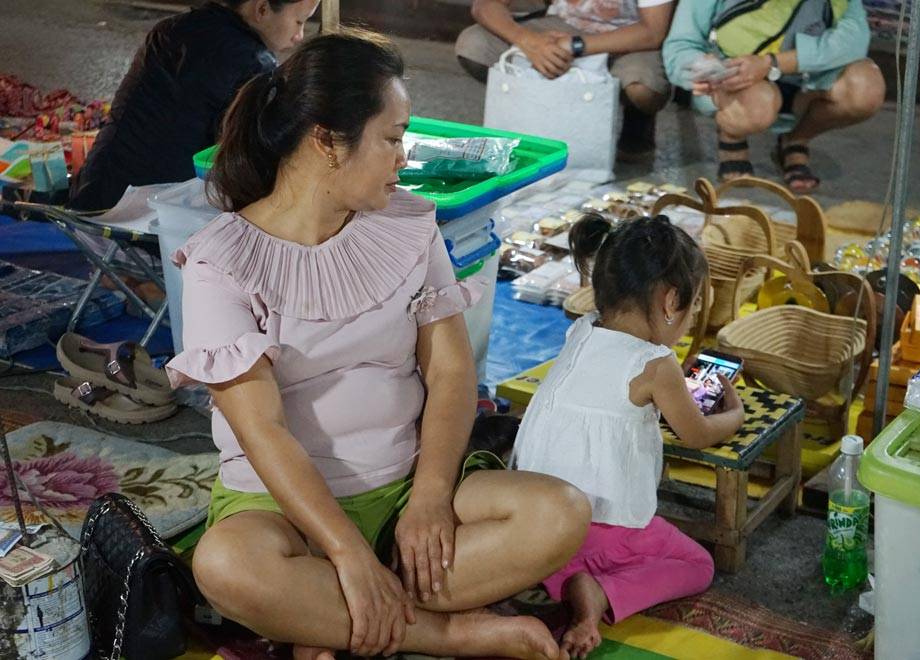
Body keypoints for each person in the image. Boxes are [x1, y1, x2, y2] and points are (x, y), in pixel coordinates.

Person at [165, 30, 591, 660]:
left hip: (405, 486)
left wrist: (428, 497)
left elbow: (450, 373)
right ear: (327, 142)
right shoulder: (219, 263)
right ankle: (453, 632)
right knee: (227, 565)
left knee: (561, 512)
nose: (403, 156)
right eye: (392, 138)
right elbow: (265, 433)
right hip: (283, 511)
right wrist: (345, 551)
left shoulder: (409, 224)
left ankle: (331, 617)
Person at [511, 214, 745, 658]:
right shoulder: (656, 364)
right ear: (671, 300)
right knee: (697, 564)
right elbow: (695, 433)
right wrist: (734, 412)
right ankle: (600, 592)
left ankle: (563, 578)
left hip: (539, 519)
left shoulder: (581, 330)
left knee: (562, 559)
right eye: (692, 308)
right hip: (602, 528)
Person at [68, 0, 319, 213]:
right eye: (299, 22)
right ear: (262, 9)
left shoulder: (171, 30)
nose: (300, 36)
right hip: (150, 224)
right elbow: (247, 164)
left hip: (91, 198)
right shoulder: (254, 66)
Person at [662, 0, 885, 192]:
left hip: (808, 79)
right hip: (738, 83)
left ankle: (796, 139)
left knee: (866, 88)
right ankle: (731, 134)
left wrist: (772, 63)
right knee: (757, 107)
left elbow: (854, 40)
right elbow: (680, 45)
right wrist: (708, 70)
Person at [456, 0, 677, 158]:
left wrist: (575, 46)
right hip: (560, 24)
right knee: (474, 45)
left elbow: (653, 32)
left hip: (625, 36)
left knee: (643, 88)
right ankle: (542, 115)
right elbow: (485, 5)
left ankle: (637, 119)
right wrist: (528, 41)